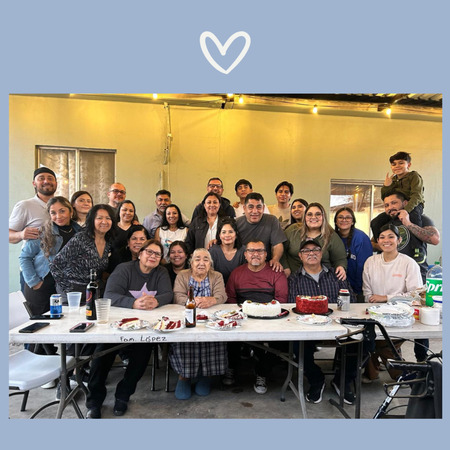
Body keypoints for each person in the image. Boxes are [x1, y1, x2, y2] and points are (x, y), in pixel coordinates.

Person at [85, 239, 173, 419]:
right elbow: (109, 295)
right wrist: (133, 303)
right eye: (149, 252)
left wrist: (156, 301)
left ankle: (123, 395)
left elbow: (168, 294)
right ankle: (94, 401)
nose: (153, 256)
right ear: (140, 254)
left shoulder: (161, 272)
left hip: (145, 326)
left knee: (142, 354)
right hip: (118, 324)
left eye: (157, 254)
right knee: (102, 354)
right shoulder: (124, 269)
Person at [370, 190, 440, 362]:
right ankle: (391, 356)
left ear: (405, 203)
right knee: (394, 315)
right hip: (394, 275)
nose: (390, 207)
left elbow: (435, 239)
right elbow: (374, 242)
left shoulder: (420, 219)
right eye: (386, 205)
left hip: (420, 275)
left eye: (394, 203)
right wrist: (389, 246)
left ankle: (422, 360)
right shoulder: (385, 222)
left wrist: (407, 223)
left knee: (420, 321)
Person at [288, 239, 357, 405]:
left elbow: (352, 300)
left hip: (338, 325)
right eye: (306, 251)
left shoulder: (336, 275)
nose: (311, 253)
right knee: (296, 345)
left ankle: (343, 380)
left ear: (322, 253)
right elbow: (292, 306)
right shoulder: (294, 279)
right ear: (300, 256)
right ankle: (316, 379)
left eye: (315, 249)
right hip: (308, 327)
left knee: (361, 341)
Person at [362, 224, 423, 382]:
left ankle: (396, 374)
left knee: (382, 341)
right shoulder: (371, 261)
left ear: (399, 240)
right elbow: (367, 292)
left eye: (391, 237)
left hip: (400, 316)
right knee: (367, 336)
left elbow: (416, 295)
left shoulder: (408, 263)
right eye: (382, 237)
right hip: (374, 313)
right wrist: (373, 304)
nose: (386, 240)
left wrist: (386, 298)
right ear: (377, 241)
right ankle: (388, 372)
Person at [226, 241, 288, 393]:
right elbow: (230, 299)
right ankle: (231, 368)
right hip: (243, 317)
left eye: (260, 251)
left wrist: (266, 315)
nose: (255, 254)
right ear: (245, 255)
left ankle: (262, 373)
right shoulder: (236, 273)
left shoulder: (276, 272)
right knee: (228, 337)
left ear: (266, 254)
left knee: (279, 344)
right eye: (251, 251)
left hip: (270, 318)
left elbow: (281, 300)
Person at [169, 248, 228, 400]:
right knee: (185, 340)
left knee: (213, 339)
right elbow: (177, 296)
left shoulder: (217, 276)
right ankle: (184, 376)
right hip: (188, 316)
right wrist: (193, 301)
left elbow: (222, 295)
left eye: (206, 260)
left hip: (210, 318)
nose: (201, 263)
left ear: (210, 264)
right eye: (197, 259)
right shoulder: (183, 275)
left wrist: (212, 300)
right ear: (191, 262)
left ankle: (206, 376)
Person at [19, 196, 82, 316]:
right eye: (53, 213)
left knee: (64, 322)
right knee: (40, 323)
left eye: (62, 211)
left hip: (66, 288)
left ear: (71, 211)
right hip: (42, 285)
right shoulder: (42, 232)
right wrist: (34, 282)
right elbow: (24, 257)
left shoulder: (80, 233)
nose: (58, 216)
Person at [50, 204, 117, 302]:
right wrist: (68, 289)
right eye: (99, 218)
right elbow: (55, 265)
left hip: (92, 291)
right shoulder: (81, 238)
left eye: (108, 218)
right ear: (92, 220)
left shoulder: (108, 241)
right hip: (73, 292)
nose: (104, 221)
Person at [9, 167, 58, 291]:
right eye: (41, 178)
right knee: (33, 304)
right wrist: (21, 234)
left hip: (59, 274)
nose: (46, 181)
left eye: (50, 178)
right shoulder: (25, 205)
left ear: (56, 183)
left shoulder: (61, 206)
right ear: (34, 183)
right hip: (35, 273)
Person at [282, 202, 347, 279]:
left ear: (323, 217)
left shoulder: (331, 235)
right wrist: (285, 267)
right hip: (293, 278)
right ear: (304, 217)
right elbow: (280, 250)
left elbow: (340, 259)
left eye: (318, 214)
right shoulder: (293, 230)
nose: (313, 217)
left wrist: (341, 267)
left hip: (322, 279)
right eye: (309, 214)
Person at [372, 151, 425, 230]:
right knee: (375, 223)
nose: (397, 166)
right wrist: (386, 186)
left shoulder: (414, 176)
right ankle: (381, 238)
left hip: (413, 205)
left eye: (401, 163)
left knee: (414, 220)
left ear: (409, 165)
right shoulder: (393, 180)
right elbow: (385, 198)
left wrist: (406, 210)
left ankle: (417, 238)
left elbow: (416, 196)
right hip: (398, 206)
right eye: (394, 164)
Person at [236, 193, 286, 272]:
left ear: (263, 208)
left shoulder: (272, 220)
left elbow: (277, 244)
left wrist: (275, 259)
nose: (255, 211)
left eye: (259, 207)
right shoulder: (236, 223)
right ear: (244, 208)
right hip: (243, 266)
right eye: (250, 207)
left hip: (267, 265)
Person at [334, 207, 373, 302]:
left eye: (348, 217)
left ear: (352, 221)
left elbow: (364, 267)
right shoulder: (332, 237)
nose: (344, 220)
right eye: (340, 217)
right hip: (336, 288)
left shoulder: (361, 238)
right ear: (335, 221)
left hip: (357, 289)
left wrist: (357, 290)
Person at [208, 217, 245, 285]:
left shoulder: (243, 251)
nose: (227, 235)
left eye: (230, 232)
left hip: (240, 287)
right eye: (224, 232)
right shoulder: (213, 251)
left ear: (236, 234)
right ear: (219, 235)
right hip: (217, 287)